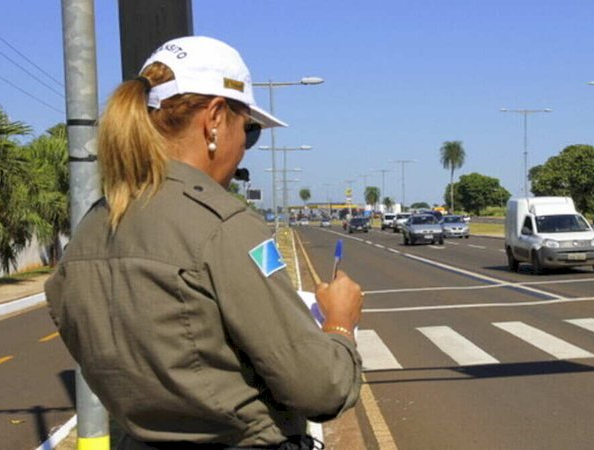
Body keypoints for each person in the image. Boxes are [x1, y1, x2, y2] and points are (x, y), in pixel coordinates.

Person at [45, 36, 364, 450]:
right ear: (215, 119)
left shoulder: (90, 231)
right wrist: (340, 323)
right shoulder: (226, 227)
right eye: (249, 131)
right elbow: (321, 389)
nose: (245, 152)